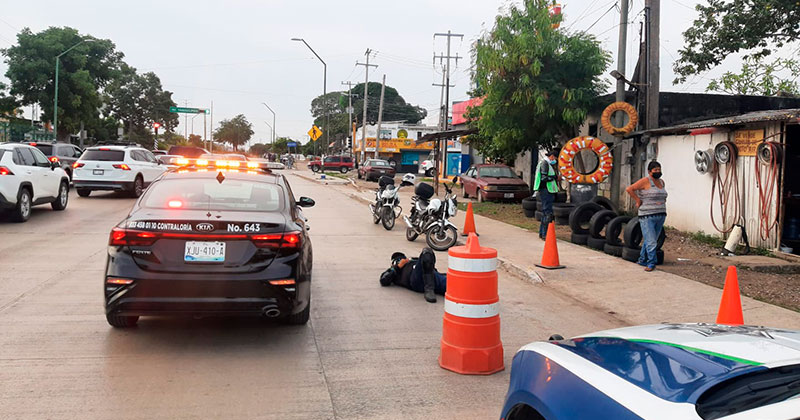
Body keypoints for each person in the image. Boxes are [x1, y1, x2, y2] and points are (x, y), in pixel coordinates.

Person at [626, 161, 668, 272]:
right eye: (655, 170)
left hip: (660, 215)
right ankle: (651, 263)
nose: (658, 171)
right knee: (651, 241)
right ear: (649, 171)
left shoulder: (661, 182)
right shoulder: (645, 181)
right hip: (647, 215)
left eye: (659, 169)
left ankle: (642, 259)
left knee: (651, 239)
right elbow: (629, 189)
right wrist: (637, 200)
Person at [379, 248, 447, 303]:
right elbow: (383, 280)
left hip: (433, 277)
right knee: (426, 251)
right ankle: (429, 289)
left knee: (451, 287)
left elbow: (429, 264)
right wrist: (397, 267)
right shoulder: (395, 271)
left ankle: (430, 287)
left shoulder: (412, 260)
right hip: (416, 278)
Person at [533, 150, 560, 240]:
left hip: (546, 190)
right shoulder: (545, 164)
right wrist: (555, 177)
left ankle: (542, 233)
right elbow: (544, 178)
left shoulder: (545, 163)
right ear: (552, 156)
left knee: (545, 212)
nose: (555, 160)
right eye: (555, 158)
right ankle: (545, 234)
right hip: (546, 190)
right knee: (547, 213)